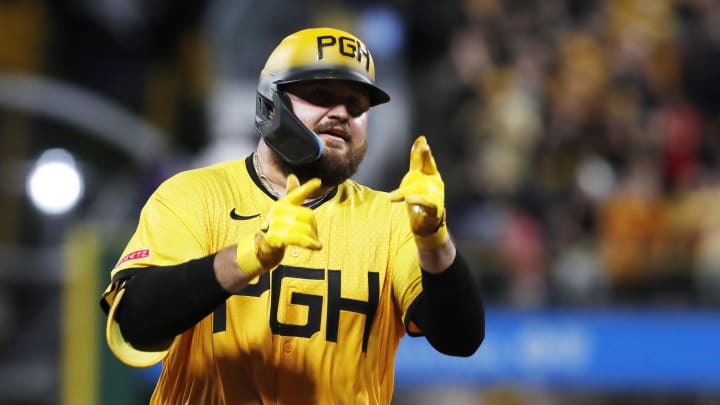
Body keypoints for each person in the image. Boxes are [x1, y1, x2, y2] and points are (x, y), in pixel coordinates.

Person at [100, 27, 484, 404]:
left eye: (356, 105)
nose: (341, 114)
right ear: (271, 104)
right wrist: (248, 256)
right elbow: (136, 320)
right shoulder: (194, 196)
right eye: (320, 95)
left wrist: (435, 241)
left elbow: (460, 337)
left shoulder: (391, 221)